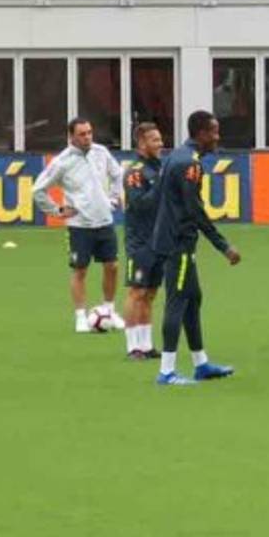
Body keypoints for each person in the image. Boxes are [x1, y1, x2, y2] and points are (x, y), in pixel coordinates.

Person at [151, 110, 242, 386]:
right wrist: (223, 246)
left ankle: (200, 363)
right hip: (178, 242)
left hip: (173, 238)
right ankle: (166, 371)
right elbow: (195, 210)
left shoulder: (175, 156)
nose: (217, 137)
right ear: (200, 133)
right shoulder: (190, 164)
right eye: (213, 132)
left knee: (192, 298)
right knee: (177, 300)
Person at [32, 117, 126, 334]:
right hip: (79, 225)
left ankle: (109, 310)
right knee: (80, 270)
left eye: (90, 132)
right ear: (71, 136)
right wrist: (57, 211)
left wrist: (112, 198)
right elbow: (38, 189)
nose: (87, 137)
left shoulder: (101, 152)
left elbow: (118, 174)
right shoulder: (62, 162)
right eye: (82, 134)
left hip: (104, 220)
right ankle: (81, 317)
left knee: (112, 266)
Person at [121, 123, 165, 360]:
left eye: (160, 139)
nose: (160, 144)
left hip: (159, 240)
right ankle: (132, 346)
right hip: (140, 242)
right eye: (154, 140)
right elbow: (141, 204)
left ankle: (147, 345)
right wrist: (160, 184)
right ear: (141, 144)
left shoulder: (159, 168)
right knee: (136, 292)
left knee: (151, 293)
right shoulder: (136, 172)